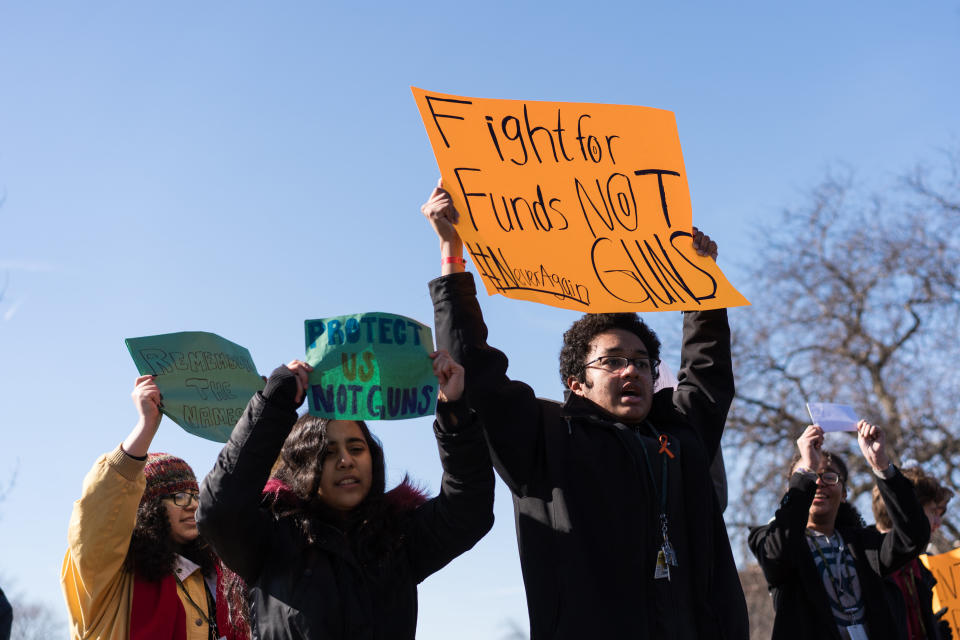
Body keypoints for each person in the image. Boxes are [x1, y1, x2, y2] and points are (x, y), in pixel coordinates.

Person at [420, 184, 749, 639]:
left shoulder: (681, 436)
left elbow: (708, 369)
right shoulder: (546, 439)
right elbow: (474, 371)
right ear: (577, 383)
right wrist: (451, 251)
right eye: (612, 361)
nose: (630, 371)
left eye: (640, 362)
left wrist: (701, 285)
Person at [196, 350, 495, 639]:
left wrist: (453, 410)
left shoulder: (397, 537)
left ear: (373, 459)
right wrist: (273, 404)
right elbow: (218, 510)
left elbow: (469, 509)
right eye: (327, 452)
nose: (346, 460)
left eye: (356, 448)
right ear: (302, 465)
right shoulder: (271, 538)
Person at [61, 374, 240, 640]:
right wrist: (146, 426)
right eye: (179, 496)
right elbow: (101, 507)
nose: (192, 505)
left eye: (196, 495)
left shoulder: (220, 575)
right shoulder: (107, 576)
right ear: (147, 508)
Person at [749, 422, 930, 640]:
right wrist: (806, 470)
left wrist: (882, 466)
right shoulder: (769, 539)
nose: (818, 484)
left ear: (844, 493)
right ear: (792, 489)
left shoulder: (865, 545)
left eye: (828, 476)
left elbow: (914, 537)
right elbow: (776, 556)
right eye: (809, 475)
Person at [872, 466, 954, 640]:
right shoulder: (865, 561)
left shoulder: (919, 568)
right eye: (933, 512)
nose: (938, 523)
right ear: (908, 510)